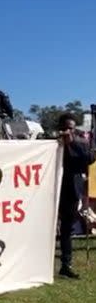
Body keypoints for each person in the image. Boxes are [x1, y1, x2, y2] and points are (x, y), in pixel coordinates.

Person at [58, 114, 95, 279]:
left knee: (66, 229)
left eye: (71, 128)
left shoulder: (79, 143)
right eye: (65, 128)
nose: (68, 131)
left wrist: (72, 142)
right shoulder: (52, 143)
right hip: (52, 190)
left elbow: (90, 158)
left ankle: (66, 264)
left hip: (71, 190)